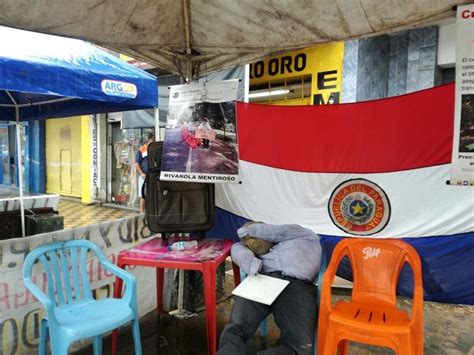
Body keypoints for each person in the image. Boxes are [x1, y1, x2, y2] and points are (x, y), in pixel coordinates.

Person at [218, 222, 322, 355]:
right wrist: (249, 255)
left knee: (300, 346)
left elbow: (275, 231)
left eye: (254, 236)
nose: (253, 242)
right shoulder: (251, 248)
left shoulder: (301, 234)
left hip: (297, 285)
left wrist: (246, 231)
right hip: (263, 280)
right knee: (235, 328)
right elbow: (237, 249)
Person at [135, 132, 154, 213]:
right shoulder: (142, 150)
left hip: (153, 176)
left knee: (152, 195)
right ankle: (142, 213)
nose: (154, 141)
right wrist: (141, 173)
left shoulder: (154, 149)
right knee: (143, 196)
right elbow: (136, 163)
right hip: (144, 176)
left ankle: (151, 212)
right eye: (152, 139)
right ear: (148, 140)